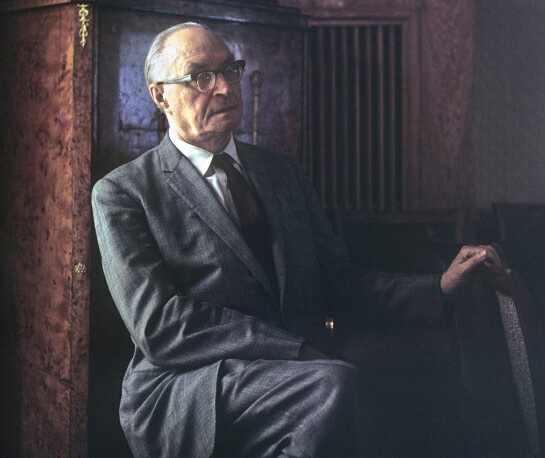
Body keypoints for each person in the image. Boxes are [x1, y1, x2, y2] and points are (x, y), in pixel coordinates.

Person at [92, 22, 504, 457]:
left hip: (295, 372)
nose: (225, 88)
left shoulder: (281, 172)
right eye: (201, 77)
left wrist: (438, 288)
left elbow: (338, 280)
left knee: (392, 388)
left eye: (230, 71)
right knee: (333, 387)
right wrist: (297, 350)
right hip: (192, 384)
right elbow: (161, 326)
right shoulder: (124, 192)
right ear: (161, 96)